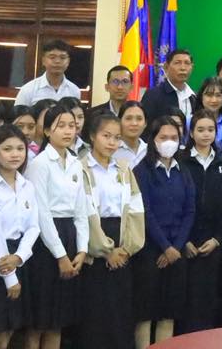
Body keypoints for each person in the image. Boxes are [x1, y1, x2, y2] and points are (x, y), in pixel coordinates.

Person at [77, 111, 145, 349]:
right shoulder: (81, 168)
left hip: (122, 239)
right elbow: (85, 212)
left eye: (117, 138)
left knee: (120, 311)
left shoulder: (124, 169)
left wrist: (127, 248)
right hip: (95, 242)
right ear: (92, 136)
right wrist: (106, 251)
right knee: (96, 312)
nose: (112, 142)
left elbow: (136, 209)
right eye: (106, 136)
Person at [24, 103, 89, 349]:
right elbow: (41, 213)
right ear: (47, 131)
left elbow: (81, 209)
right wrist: (60, 255)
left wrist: (81, 249)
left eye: (72, 125)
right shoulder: (40, 164)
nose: (68, 131)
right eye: (61, 126)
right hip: (46, 242)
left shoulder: (75, 162)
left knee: (58, 319)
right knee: (40, 320)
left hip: (70, 235)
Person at [131, 116, 194, 346]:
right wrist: (165, 247)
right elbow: (144, 211)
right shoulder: (142, 171)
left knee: (169, 313)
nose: (169, 142)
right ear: (153, 140)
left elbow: (190, 211)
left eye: (174, 138)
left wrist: (175, 247)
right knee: (146, 313)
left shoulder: (183, 171)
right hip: (149, 250)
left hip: (177, 251)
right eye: (163, 137)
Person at [0, 123, 39, 349]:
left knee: (14, 328)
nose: (15, 154)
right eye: (7, 149)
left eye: (20, 149)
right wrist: (9, 276)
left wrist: (20, 257)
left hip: (20, 258)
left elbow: (33, 227)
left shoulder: (27, 185)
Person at [181, 111, 222, 332]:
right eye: (200, 130)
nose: (206, 134)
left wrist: (217, 239)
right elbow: (176, 204)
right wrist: (183, 240)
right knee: (186, 297)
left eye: (211, 130)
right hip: (185, 241)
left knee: (209, 296)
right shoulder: (181, 161)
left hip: (213, 242)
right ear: (191, 133)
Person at [140, 48, 199, 127]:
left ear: (192, 67)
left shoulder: (194, 97)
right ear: (166, 67)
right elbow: (145, 127)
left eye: (187, 63)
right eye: (177, 63)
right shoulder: (153, 95)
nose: (183, 68)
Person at [14, 40, 81, 107]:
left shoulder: (74, 90)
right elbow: (19, 113)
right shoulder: (28, 89)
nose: (57, 61)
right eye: (52, 57)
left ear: (68, 61)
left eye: (62, 57)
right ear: (43, 61)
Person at [196, 77, 222, 152]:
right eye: (209, 95)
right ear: (201, 97)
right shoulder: (189, 122)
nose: (214, 100)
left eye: (218, 95)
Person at [112, 101, 149, 170]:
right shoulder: (111, 149)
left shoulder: (150, 150)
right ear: (119, 121)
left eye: (139, 119)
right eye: (128, 118)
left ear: (145, 124)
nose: (134, 123)